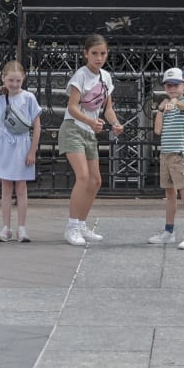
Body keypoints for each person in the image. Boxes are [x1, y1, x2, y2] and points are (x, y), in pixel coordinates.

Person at [61, 33, 121, 246]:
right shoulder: (81, 75)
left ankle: (81, 224)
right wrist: (90, 121)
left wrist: (115, 124)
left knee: (96, 181)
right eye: (94, 53)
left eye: (102, 53)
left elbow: (108, 108)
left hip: (89, 132)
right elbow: (72, 106)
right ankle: (71, 227)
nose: (99, 57)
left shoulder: (106, 77)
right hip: (73, 129)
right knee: (84, 177)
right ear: (85, 54)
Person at [0, 61, 41, 242]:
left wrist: (32, 151)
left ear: (23, 79)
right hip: (4, 144)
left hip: (22, 144)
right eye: (10, 80)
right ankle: (6, 228)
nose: (15, 84)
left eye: (18, 81)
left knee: (22, 187)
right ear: (3, 79)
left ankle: (22, 228)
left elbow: (37, 126)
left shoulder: (28, 98)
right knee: (6, 187)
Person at [148, 67, 184, 250]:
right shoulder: (166, 105)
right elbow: (157, 130)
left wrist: (174, 102)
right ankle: (169, 232)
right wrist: (161, 109)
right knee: (170, 194)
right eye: (169, 85)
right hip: (166, 155)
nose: (172, 88)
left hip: (179, 155)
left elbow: (183, 106)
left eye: (176, 85)